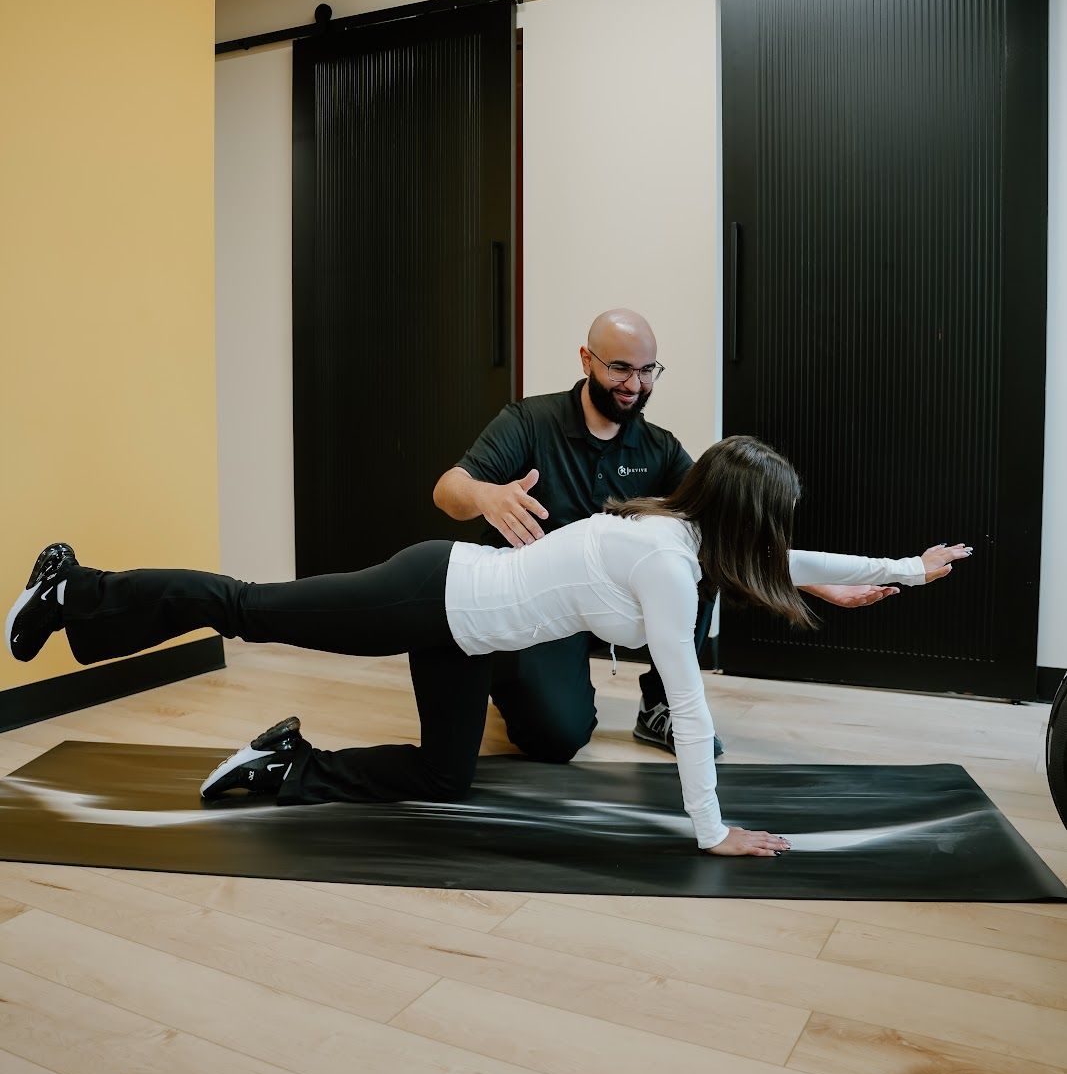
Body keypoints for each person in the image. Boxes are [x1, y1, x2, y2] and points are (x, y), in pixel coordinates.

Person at [5, 435, 970, 856]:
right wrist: (710, 828)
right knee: (248, 606)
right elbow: (691, 704)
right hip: (430, 596)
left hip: (463, 629)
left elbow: (782, 553)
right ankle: (76, 586)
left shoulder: (675, 530)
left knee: (443, 773)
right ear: (736, 515)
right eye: (770, 523)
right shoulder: (671, 569)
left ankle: (287, 764)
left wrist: (906, 570)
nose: (775, 543)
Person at [433, 308, 901, 763]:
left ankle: (660, 707)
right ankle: (508, 673)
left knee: (702, 561)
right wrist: (484, 495)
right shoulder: (529, 422)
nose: (634, 386)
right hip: (540, 601)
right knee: (554, 739)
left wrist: (814, 580)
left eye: (646, 371)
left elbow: (725, 530)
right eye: (619, 368)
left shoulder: (659, 447)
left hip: (613, 599)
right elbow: (447, 490)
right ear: (586, 359)